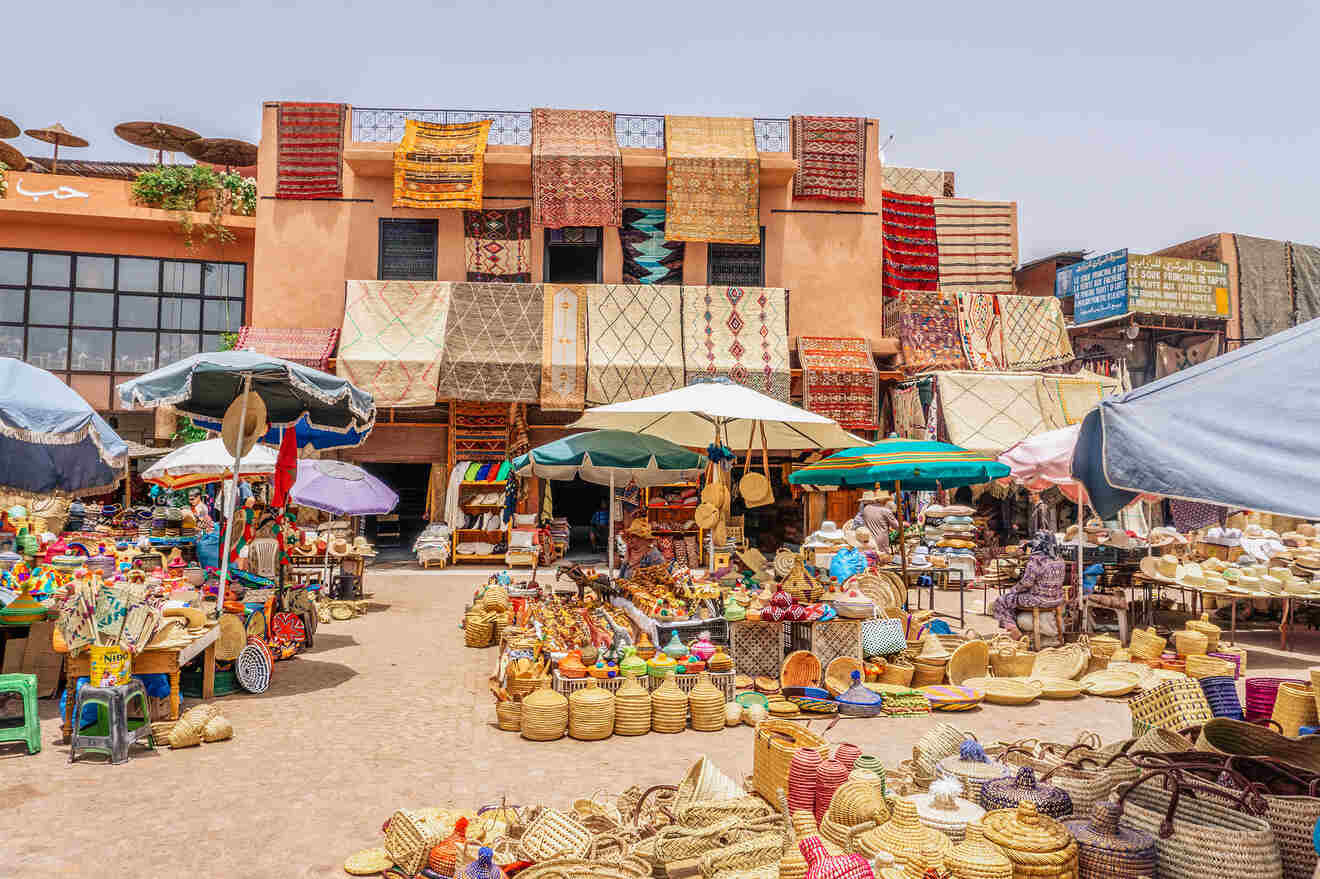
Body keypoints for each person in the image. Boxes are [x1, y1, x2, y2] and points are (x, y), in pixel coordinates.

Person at [992, 530, 1066, 639]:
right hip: (1057, 599)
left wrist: (1014, 590)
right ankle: (1019, 630)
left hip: (1038, 600)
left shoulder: (1036, 560)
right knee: (1012, 600)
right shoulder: (1059, 559)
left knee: (1001, 601)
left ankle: (1014, 631)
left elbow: (1027, 583)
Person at [856, 489, 899, 553]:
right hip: (882, 541)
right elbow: (896, 526)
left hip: (870, 540)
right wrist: (903, 524)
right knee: (882, 559)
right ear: (885, 500)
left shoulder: (866, 509)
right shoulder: (885, 511)